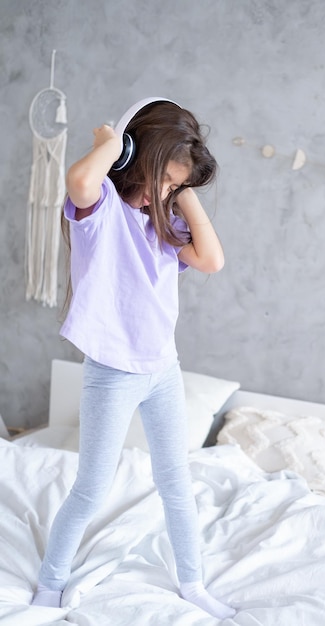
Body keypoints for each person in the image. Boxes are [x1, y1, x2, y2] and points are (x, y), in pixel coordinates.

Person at [31, 98, 236, 620]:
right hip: (113, 375)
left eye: (175, 185)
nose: (164, 192)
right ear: (131, 157)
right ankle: (51, 582)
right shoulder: (99, 210)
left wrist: (179, 192)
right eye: (162, 177)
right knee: (92, 487)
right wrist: (111, 145)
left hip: (162, 371)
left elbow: (211, 259)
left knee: (176, 482)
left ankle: (192, 582)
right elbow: (80, 178)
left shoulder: (162, 223)